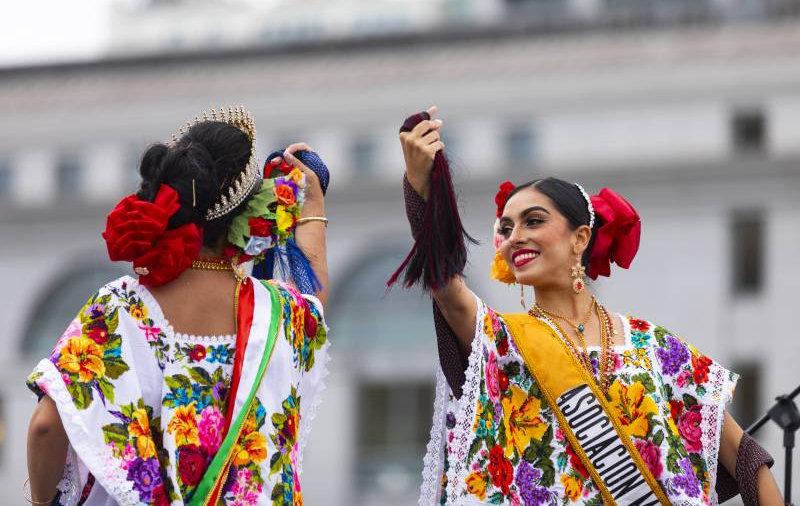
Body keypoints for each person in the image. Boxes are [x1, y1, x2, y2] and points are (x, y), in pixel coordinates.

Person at [394, 107, 783, 505]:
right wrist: (421, 188)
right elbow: (443, 284)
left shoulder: (651, 345)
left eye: (533, 221)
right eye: (506, 228)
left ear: (580, 238)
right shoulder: (501, 340)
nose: (514, 238)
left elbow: (744, 456)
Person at [25, 107, 331, 505]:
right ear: (249, 214)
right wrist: (311, 209)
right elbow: (315, 299)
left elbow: (46, 427)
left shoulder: (120, 308)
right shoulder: (279, 311)